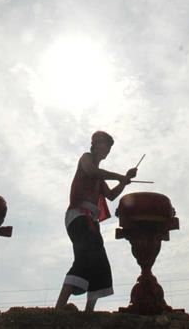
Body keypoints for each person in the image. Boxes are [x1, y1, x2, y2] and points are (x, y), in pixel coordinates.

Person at [55, 131, 137, 311]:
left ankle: (88, 313)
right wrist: (119, 176)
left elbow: (111, 195)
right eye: (105, 144)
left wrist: (125, 180)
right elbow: (92, 171)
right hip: (78, 216)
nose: (107, 149)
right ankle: (58, 309)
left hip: (91, 220)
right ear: (95, 144)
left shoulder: (100, 178)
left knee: (100, 263)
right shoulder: (86, 158)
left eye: (109, 147)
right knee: (85, 257)